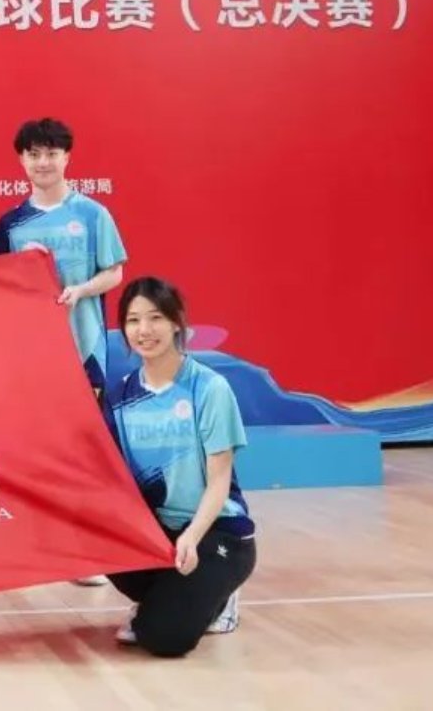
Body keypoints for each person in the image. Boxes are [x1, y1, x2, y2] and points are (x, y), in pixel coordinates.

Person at [107, 277, 256, 657]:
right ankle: (165, 601)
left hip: (215, 532)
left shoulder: (209, 388)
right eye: (133, 320)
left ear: (176, 323)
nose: (144, 330)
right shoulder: (119, 396)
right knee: (97, 536)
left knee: (163, 640)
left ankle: (219, 598)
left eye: (155, 317)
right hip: (157, 533)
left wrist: (191, 536)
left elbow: (220, 481)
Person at [0, 117, 126, 394]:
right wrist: (20, 268)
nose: (43, 163)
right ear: (22, 160)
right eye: (34, 154)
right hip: (29, 349)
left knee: (85, 419)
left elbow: (114, 272)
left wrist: (81, 290)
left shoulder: (93, 214)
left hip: (85, 343)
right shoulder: (10, 224)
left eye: (51, 154)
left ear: (66, 158)